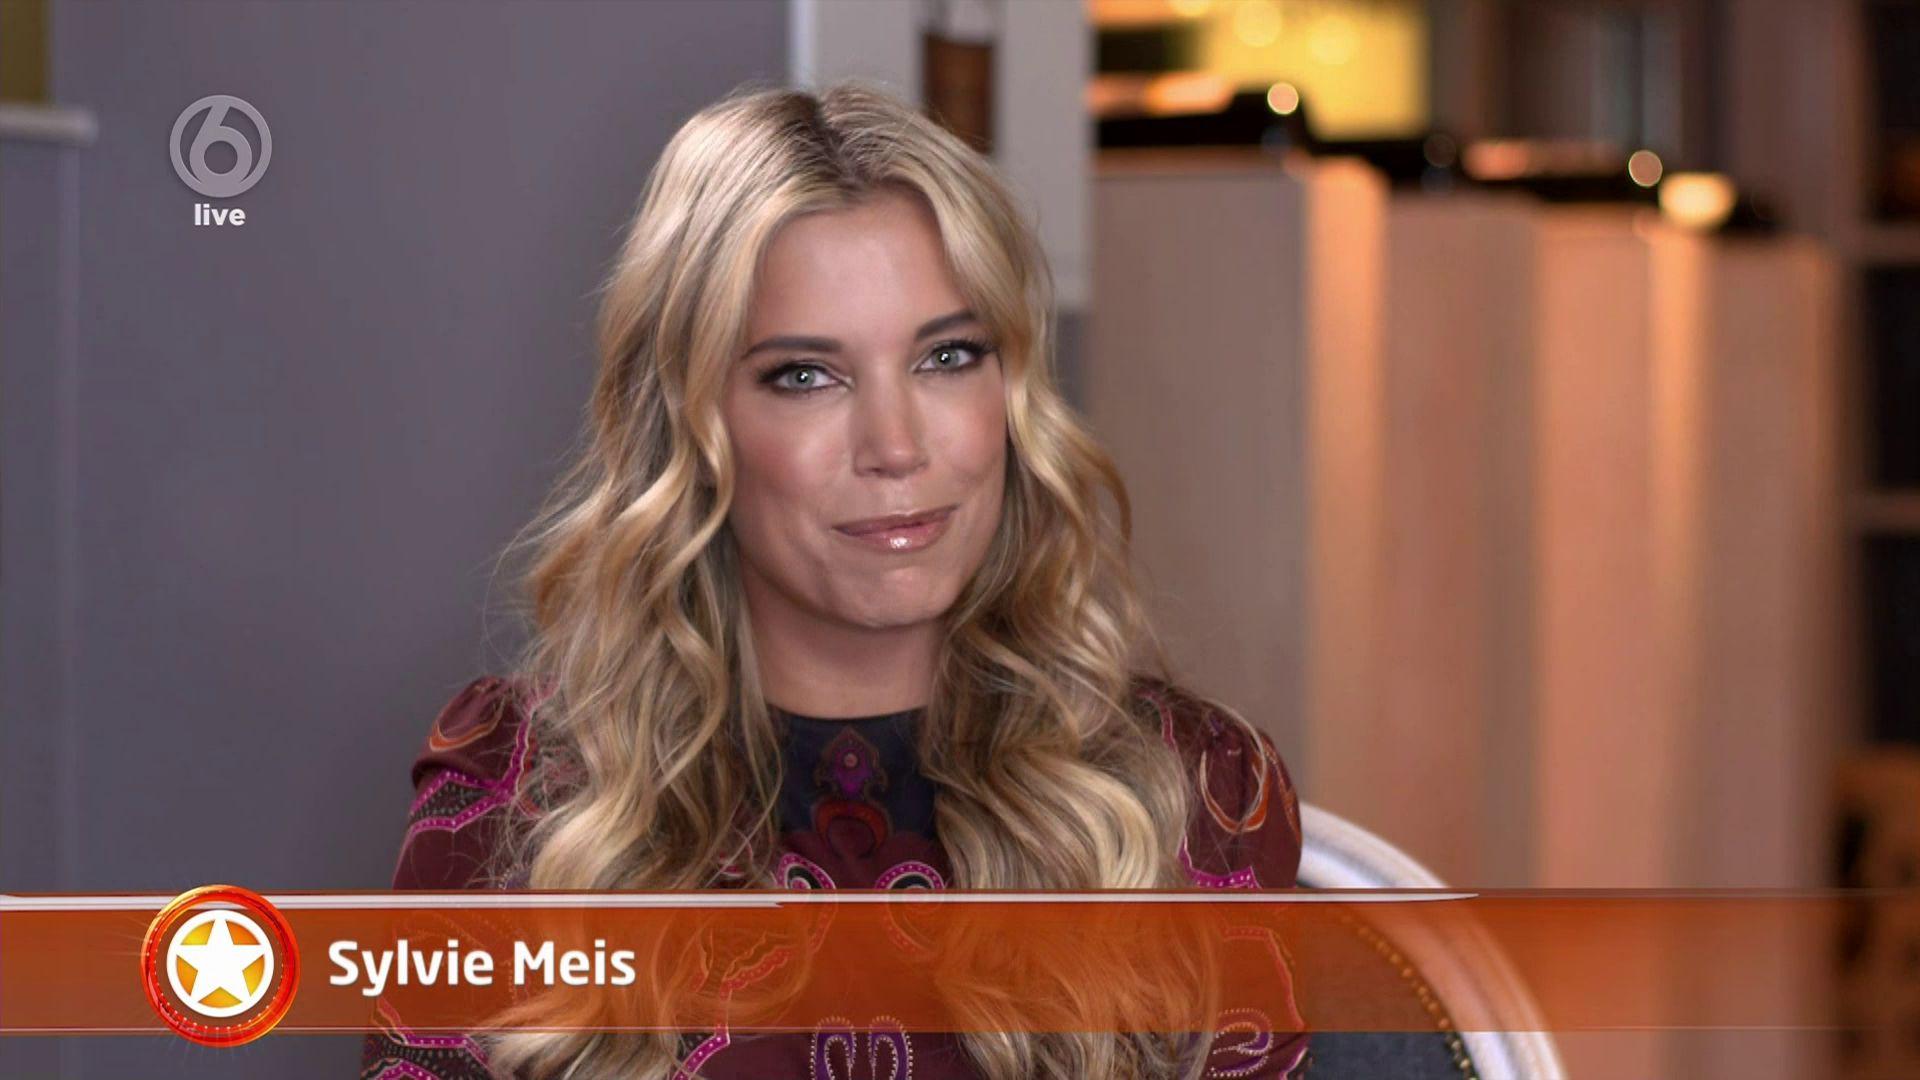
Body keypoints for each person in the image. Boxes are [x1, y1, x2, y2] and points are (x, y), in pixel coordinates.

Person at [359, 80, 1308, 1080]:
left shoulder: (1194, 795)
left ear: (1013, 392)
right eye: (806, 375)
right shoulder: (514, 800)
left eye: (948, 356)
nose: (895, 446)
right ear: (689, 421)